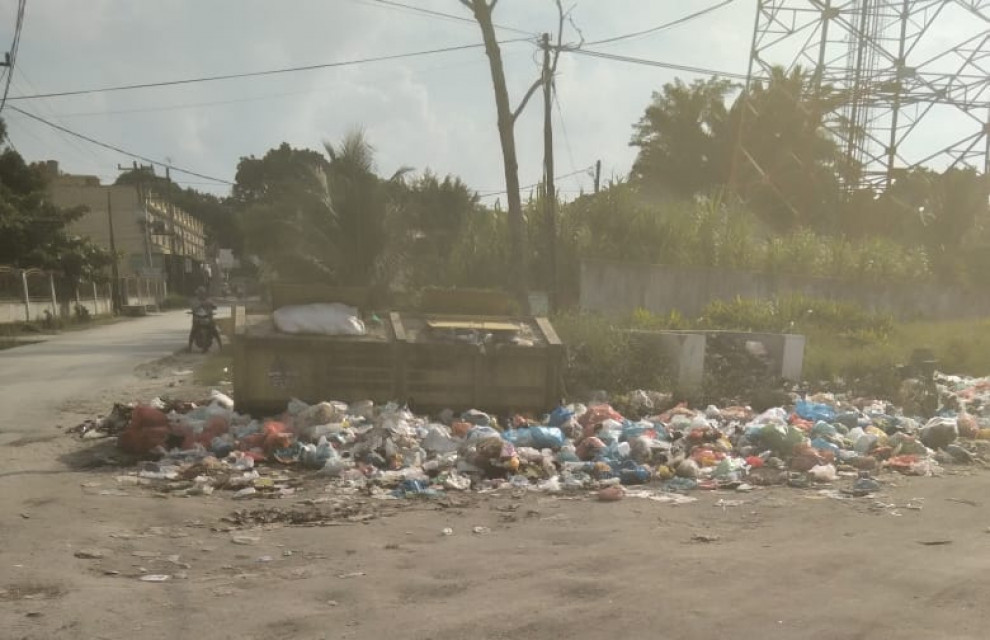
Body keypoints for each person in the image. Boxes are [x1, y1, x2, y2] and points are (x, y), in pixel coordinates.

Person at [188, 287, 223, 352]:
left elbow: (214, 306)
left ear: (204, 294)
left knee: (215, 331)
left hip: (208, 319)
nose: (200, 295)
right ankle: (189, 347)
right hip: (198, 319)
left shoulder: (209, 300)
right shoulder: (195, 301)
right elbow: (192, 307)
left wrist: (213, 307)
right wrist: (194, 310)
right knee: (193, 331)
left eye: (202, 293)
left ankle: (221, 346)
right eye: (199, 293)